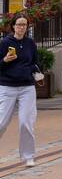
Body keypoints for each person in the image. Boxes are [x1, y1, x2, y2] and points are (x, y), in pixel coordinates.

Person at [0, 14, 42, 167]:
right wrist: (5, 60)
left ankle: (28, 156)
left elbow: (36, 62)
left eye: (24, 25)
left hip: (27, 87)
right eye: (19, 25)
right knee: (1, 123)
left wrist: (35, 71)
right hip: (7, 86)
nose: (22, 27)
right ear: (13, 26)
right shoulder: (5, 43)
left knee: (26, 122)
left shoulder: (31, 43)